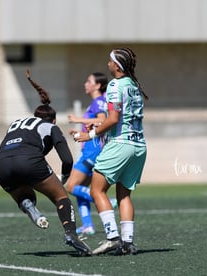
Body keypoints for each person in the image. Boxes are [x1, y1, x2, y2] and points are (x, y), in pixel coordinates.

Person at [0, 70, 92, 256]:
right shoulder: (50, 126)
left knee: (24, 193)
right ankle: (71, 234)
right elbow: (67, 159)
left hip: (1, 165)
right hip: (29, 161)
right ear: (53, 119)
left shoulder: (17, 122)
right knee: (61, 198)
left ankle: (28, 205)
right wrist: (63, 177)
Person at [74, 47, 148, 255]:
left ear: (117, 65)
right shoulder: (134, 84)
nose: (108, 64)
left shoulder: (115, 85)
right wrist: (99, 126)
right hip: (139, 145)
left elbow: (114, 119)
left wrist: (90, 135)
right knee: (124, 195)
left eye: (110, 61)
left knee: (97, 190)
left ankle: (112, 237)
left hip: (120, 144)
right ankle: (128, 242)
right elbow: (118, 118)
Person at [66, 72, 111, 236]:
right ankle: (87, 225)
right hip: (90, 147)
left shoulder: (99, 101)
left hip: (93, 150)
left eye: (89, 81)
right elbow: (93, 125)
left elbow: (102, 121)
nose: (86, 83)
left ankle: (108, 202)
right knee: (80, 187)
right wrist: (78, 131)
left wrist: (78, 120)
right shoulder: (97, 102)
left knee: (71, 186)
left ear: (97, 85)